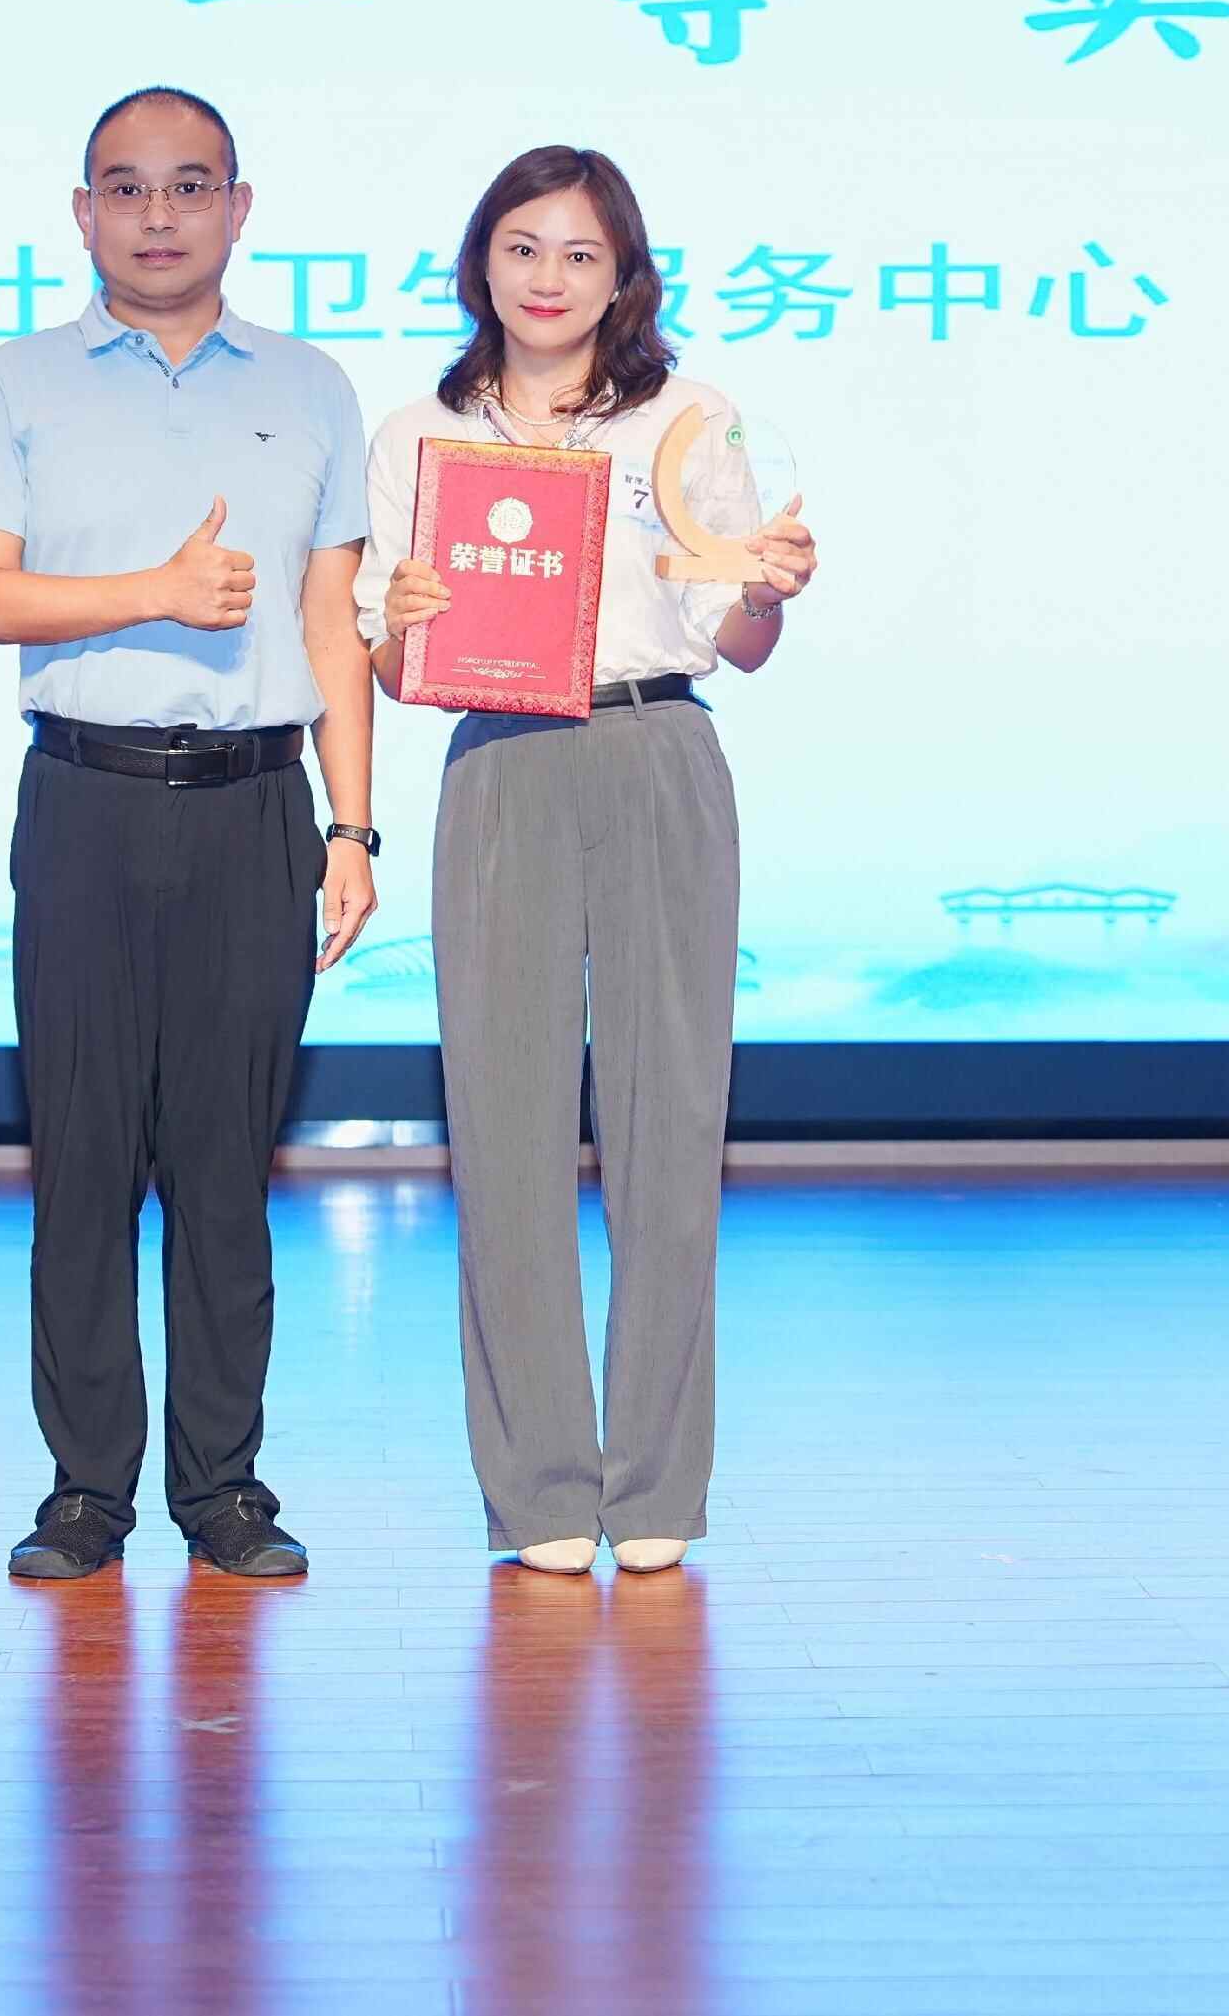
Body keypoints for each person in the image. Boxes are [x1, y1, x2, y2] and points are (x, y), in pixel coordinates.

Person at [0, 85, 381, 1583]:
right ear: (83, 214)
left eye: (190, 185)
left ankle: (224, 1488)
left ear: (240, 208)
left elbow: (330, 616)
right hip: (84, 797)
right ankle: (85, 1490)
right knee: (81, 1160)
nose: (158, 215)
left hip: (257, 807)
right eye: (125, 188)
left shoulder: (312, 386)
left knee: (223, 1167)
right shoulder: (15, 382)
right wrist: (155, 593)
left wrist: (353, 825)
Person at [357, 144, 819, 1576]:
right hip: (500, 762)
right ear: (479, 263)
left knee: (670, 1124)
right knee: (501, 1131)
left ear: (624, 278)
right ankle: (542, 1492)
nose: (547, 278)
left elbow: (739, 635)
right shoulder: (422, 431)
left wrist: (769, 592)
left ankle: (659, 1483)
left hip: (655, 747)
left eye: (579, 254)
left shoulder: (687, 422)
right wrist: (405, 624)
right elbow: (390, 666)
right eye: (522, 247)